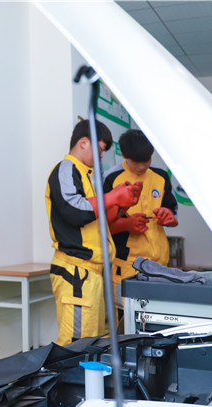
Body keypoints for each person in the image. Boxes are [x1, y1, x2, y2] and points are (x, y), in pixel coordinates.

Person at [45, 119, 141, 346]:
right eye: (99, 149)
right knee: (76, 346)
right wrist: (113, 196)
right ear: (83, 143)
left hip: (93, 273)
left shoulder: (84, 176)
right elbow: (74, 210)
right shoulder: (66, 168)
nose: (100, 156)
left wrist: (121, 205)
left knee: (95, 342)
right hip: (76, 272)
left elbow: (96, 222)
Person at [103, 129, 178, 302]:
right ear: (123, 155)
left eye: (147, 160)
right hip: (127, 265)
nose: (142, 167)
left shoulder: (161, 175)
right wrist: (127, 224)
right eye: (136, 162)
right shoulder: (111, 178)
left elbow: (173, 217)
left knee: (160, 313)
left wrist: (169, 217)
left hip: (160, 264)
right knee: (127, 315)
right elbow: (101, 226)